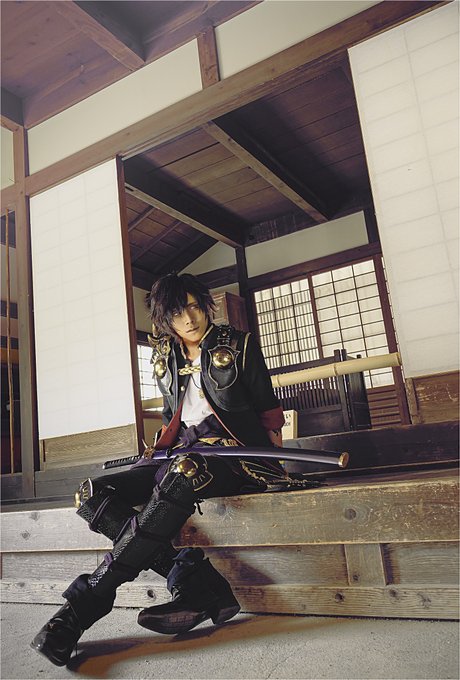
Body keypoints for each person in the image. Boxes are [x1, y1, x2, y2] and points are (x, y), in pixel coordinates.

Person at [31, 272, 288, 667]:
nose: (189, 318)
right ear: (165, 320)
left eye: (193, 306)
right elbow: (172, 416)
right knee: (90, 494)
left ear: (205, 305)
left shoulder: (239, 345)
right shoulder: (164, 357)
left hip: (235, 455)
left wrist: (273, 463)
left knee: (183, 471)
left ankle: (82, 609)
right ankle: (193, 581)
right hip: (180, 454)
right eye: (177, 313)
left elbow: (268, 410)